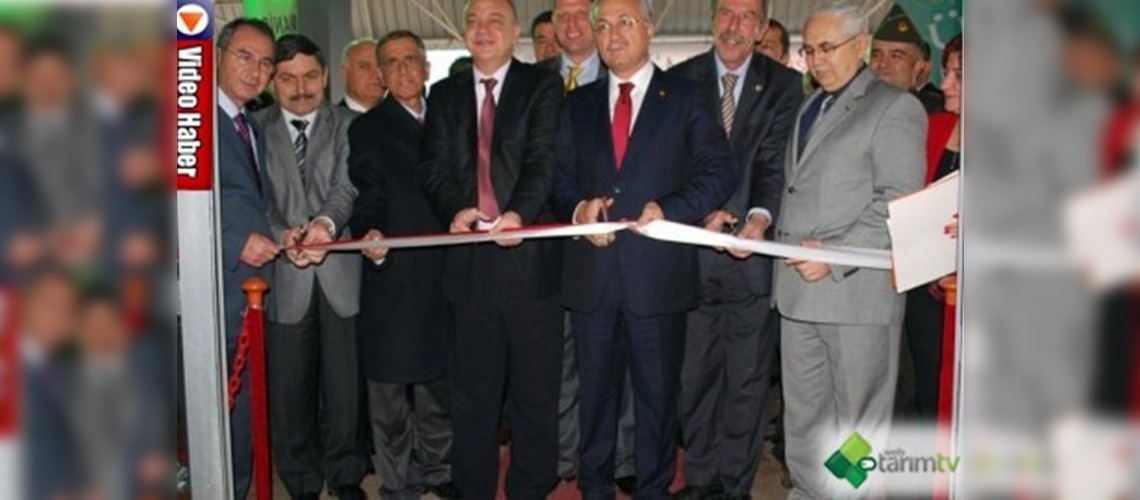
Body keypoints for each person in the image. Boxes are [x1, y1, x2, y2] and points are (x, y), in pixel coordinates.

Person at [550, 0, 738, 497]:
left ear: (649, 30)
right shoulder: (576, 104)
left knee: (657, 402)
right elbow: (558, 179)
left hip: (658, 279)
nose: (613, 34)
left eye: (625, 22)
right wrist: (580, 209)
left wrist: (669, 209)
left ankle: (653, 489)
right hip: (592, 280)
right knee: (594, 401)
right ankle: (594, 489)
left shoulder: (686, 97)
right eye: (603, 25)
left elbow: (720, 170)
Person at [773, 3, 925, 497]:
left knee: (857, 430)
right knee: (804, 424)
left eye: (827, 48)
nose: (816, 60)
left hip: (856, 295)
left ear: (860, 45)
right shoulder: (809, 106)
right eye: (809, 50)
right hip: (798, 293)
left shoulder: (895, 107)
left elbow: (897, 201)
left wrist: (835, 255)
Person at [418, 0, 564, 497]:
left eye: (494, 20)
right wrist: (455, 209)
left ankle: (531, 488)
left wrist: (518, 212)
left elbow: (543, 161)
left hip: (529, 268)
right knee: (472, 399)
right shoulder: (444, 94)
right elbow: (433, 166)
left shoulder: (542, 86)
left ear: (515, 30)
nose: (482, 30)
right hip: (470, 269)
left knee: (535, 397)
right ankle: (473, 489)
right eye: (473, 21)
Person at [668, 0, 803, 498]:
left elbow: (773, 161)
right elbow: (674, 161)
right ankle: (701, 480)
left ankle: (734, 486)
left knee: (746, 382)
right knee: (694, 377)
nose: (734, 25)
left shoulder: (784, 84)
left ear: (762, 27)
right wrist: (698, 211)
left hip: (752, 257)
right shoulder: (679, 80)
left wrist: (758, 220)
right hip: (692, 257)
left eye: (747, 16)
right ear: (711, 19)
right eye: (726, 12)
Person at [253, 33, 366, 500]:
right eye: (287, 78)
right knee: (289, 389)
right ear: (272, 82)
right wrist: (283, 235)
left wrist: (324, 226)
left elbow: (347, 186)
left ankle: (346, 475)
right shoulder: (253, 129)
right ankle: (300, 480)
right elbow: (252, 198)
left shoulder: (350, 125)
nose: (300, 88)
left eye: (309, 76)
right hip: (282, 275)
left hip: (340, 272)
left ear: (325, 77)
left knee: (345, 388)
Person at [348, 29, 458, 500]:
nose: (403, 69)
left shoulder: (452, 118)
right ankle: (395, 484)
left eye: (411, 59)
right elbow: (367, 192)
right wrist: (369, 233)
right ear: (381, 74)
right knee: (389, 394)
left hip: (448, 272)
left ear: (427, 67)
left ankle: (439, 470)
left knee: (439, 387)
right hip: (393, 274)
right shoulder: (368, 129)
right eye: (391, 62)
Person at [215, 18, 279, 498]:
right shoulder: (189, 121)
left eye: (265, 63)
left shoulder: (251, 126)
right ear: (217, 55)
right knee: (216, 421)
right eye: (244, 56)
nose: (255, 71)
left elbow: (252, 204)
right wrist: (236, 240)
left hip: (251, 297)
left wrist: (283, 234)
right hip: (214, 293)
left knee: (241, 422)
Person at [904, 33, 962, 421]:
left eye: (959, 76)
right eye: (946, 72)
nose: (945, 84)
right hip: (926, 294)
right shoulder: (934, 127)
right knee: (929, 390)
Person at [870, 3, 944, 113]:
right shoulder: (855, 107)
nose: (883, 64)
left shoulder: (932, 111)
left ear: (917, 66)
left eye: (895, 56)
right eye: (876, 55)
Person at [339, 38, 385, 113]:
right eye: (364, 66)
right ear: (344, 73)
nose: (376, 74)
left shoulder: (400, 117)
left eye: (380, 66)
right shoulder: (330, 119)